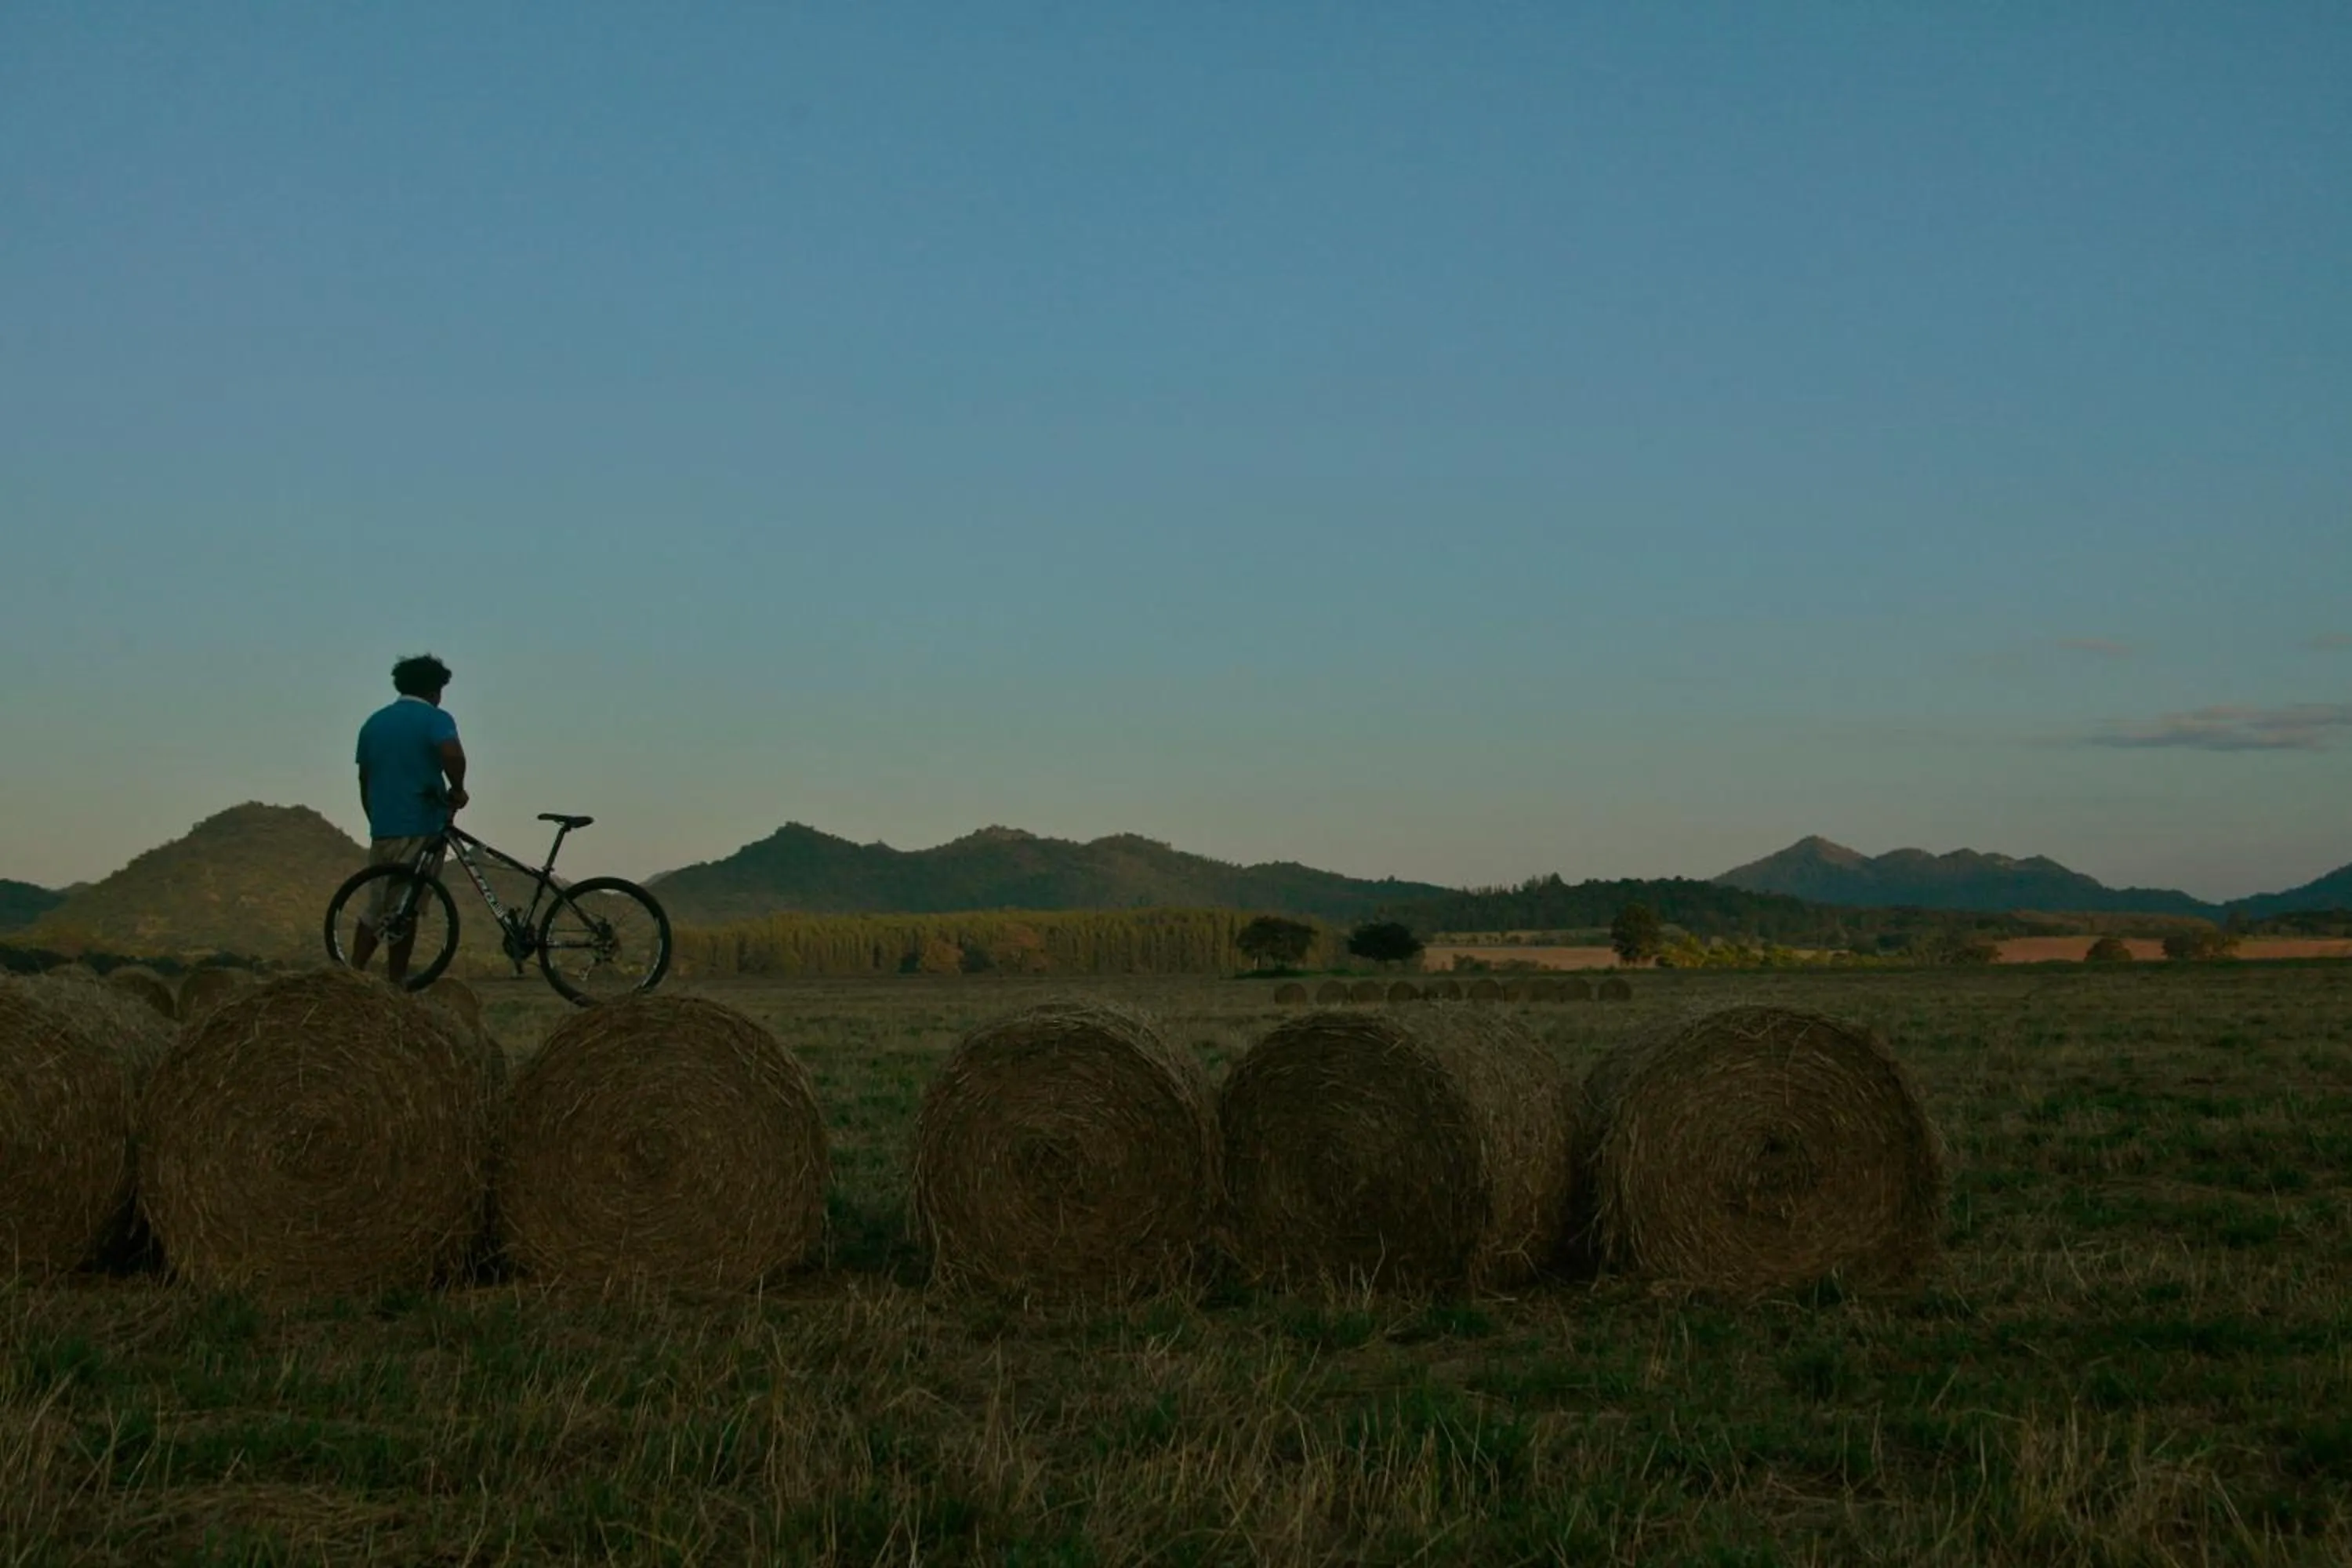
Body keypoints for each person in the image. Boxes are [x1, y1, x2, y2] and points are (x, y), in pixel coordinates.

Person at [347, 654, 468, 983]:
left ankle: (352, 977)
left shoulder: (374, 723)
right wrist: (457, 789)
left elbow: (365, 778)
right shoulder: (435, 718)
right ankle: (396, 984)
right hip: (421, 823)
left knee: (377, 904)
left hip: (384, 826)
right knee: (406, 907)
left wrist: (376, 816)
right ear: (434, 690)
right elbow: (452, 754)